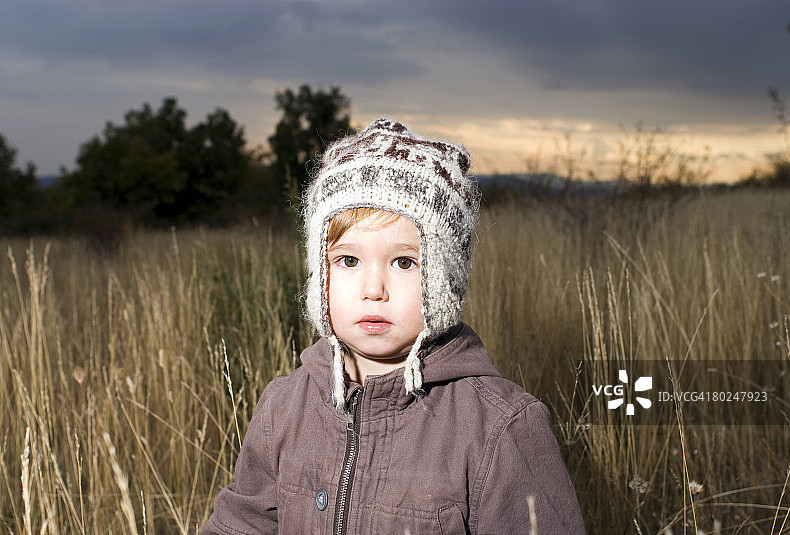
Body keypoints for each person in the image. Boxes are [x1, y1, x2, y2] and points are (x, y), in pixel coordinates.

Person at [201, 118, 586, 534]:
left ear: (443, 279)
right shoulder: (284, 407)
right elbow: (241, 523)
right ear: (319, 272)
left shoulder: (499, 428)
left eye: (404, 263)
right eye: (348, 261)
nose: (373, 289)